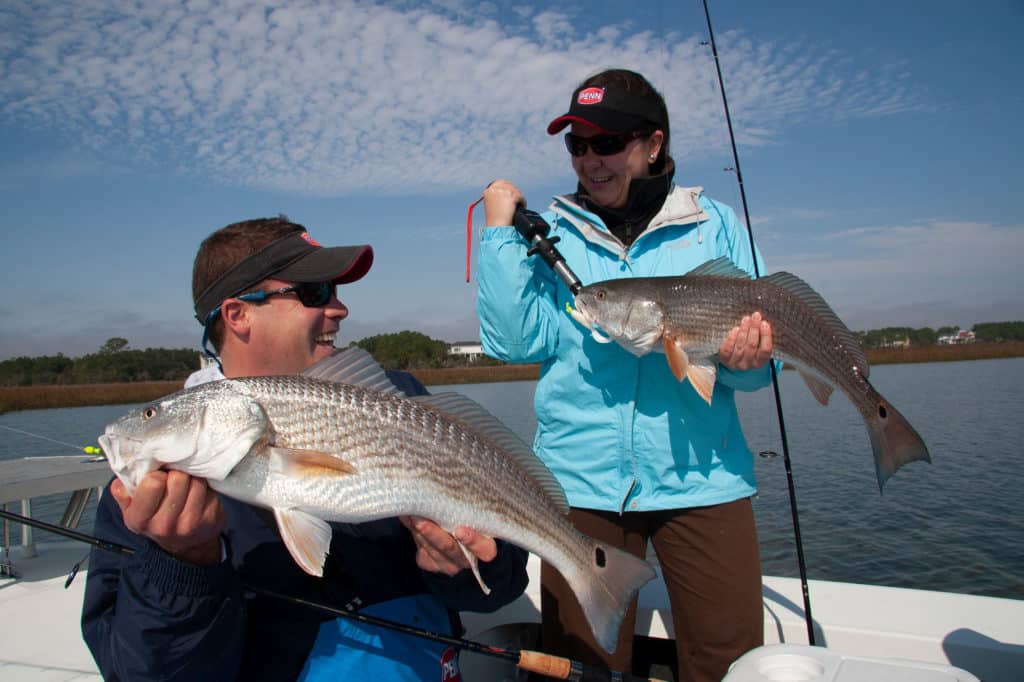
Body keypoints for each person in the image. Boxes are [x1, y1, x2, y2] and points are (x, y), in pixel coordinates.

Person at [82, 217, 529, 681]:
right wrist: (182, 566)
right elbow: (142, 673)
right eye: (314, 293)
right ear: (238, 315)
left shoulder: (400, 403)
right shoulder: (147, 496)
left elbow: (500, 585)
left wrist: (465, 568)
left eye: (334, 290)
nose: (339, 309)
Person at [476, 69, 774, 681]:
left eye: (606, 143)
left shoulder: (713, 225)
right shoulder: (550, 230)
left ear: (653, 144)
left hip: (705, 475)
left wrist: (746, 365)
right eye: (576, 145)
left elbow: (753, 372)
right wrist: (501, 233)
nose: (590, 160)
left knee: (729, 659)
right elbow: (511, 342)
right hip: (580, 482)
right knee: (582, 659)